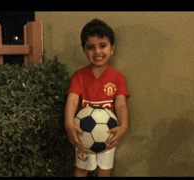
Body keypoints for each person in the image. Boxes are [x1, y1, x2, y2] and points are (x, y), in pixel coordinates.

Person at [64, 19, 130, 177]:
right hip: (83, 135)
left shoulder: (117, 78)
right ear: (84, 51)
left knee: (104, 170)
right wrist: (68, 124)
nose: (97, 52)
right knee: (81, 169)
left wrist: (124, 126)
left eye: (103, 46)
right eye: (91, 47)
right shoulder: (79, 76)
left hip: (108, 135)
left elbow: (120, 104)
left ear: (112, 49)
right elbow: (72, 100)